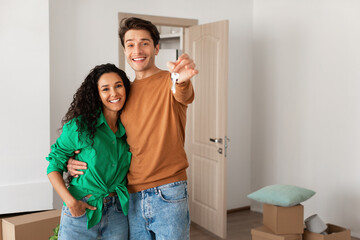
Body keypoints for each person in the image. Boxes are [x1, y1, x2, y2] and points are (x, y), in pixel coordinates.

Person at [68, 17, 198, 240]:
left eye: (144, 43)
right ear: (125, 50)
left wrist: (182, 81)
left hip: (168, 190)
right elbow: (108, 139)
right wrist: (76, 160)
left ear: (156, 47)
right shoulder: (123, 93)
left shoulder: (171, 81)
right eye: (130, 44)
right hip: (130, 195)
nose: (137, 50)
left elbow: (183, 94)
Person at [46, 63, 131, 240]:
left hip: (117, 212)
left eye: (118, 86)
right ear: (97, 95)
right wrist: (70, 202)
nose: (114, 93)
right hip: (82, 209)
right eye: (105, 89)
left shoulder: (130, 128)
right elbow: (53, 166)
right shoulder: (80, 127)